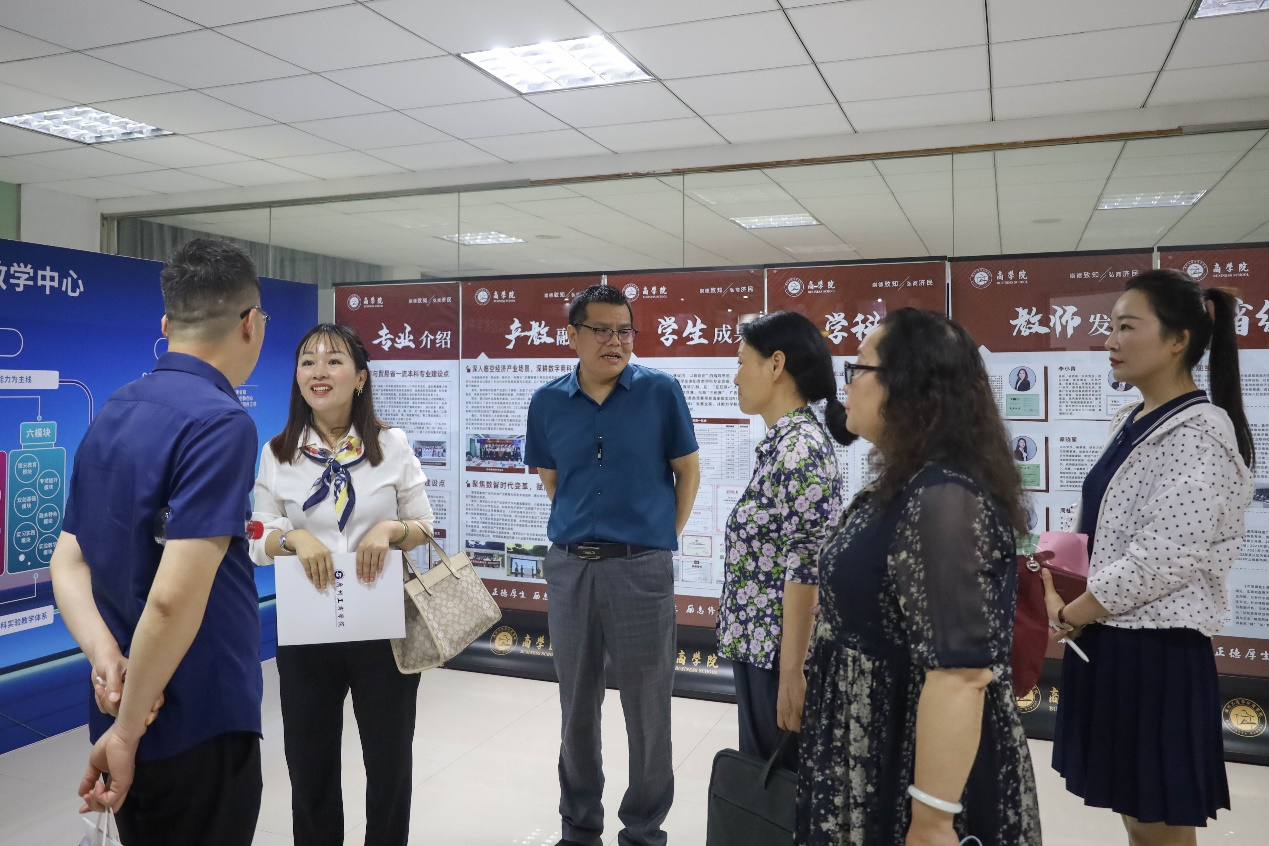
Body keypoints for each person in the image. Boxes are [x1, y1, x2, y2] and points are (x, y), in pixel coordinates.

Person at [49, 238, 268, 846]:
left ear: (167, 325)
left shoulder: (115, 408)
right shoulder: (221, 422)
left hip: (121, 697)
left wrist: (104, 657)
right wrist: (126, 732)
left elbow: (67, 560)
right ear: (249, 323)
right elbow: (171, 600)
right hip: (196, 713)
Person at [795, 308, 1042, 846]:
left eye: (858, 368)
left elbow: (960, 673)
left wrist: (932, 820)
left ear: (907, 386)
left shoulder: (944, 497)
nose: (846, 385)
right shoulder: (910, 480)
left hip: (911, 758)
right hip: (873, 739)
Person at [1044, 269, 1254, 845]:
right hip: (1111, 640)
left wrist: (1074, 611)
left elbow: (1164, 557)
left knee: (1159, 824)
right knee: (1136, 816)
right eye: (1110, 326)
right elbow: (1103, 528)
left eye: (1126, 327)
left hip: (1155, 652)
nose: (1109, 340)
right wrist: (1060, 584)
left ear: (1178, 339)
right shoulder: (1132, 420)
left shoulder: (1200, 433)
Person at [525, 284, 700, 846]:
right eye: (601, 330)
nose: (615, 341)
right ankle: (579, 825)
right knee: (576, 704)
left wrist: (660, 539)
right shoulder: (547, 402)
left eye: (624, 331)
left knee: (648, 707)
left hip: (640, 569)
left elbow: (687, 472)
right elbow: (553, 480)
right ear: (572, 336)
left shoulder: (660, 392)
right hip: (571, 569)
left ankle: (644, 830)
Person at [250, 323, 435, 846]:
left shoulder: (391, 445)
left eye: (334, 361)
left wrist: (390, 529)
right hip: (308, 630)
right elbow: (256, 537)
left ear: (360, 378)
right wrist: (292, 539)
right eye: (308, 361)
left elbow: (424, 526)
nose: (319, 371)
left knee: (389, 763)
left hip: (382, 628)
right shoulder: (278, 452)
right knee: (309, 765)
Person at [719, 311, 848, 769]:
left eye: (742, 363)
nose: (736, 377)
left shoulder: (798, 450)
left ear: (776, 364)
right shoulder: (785, 443)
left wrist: (792, 672)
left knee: (778, 784)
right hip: (763, 650)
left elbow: (808, 564)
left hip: (778, 656)